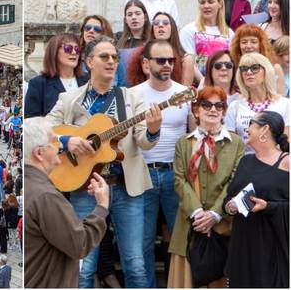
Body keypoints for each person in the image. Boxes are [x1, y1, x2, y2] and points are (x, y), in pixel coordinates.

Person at [45, 36, 161, 288]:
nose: (111, 62)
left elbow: (143, 141)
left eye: (114, 58)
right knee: (84, 266)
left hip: (125, 186)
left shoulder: (131, 98)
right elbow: (42, 130)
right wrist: (67, 141)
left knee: (135, 264)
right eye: (104, 57)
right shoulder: (70, 99)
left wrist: (153, 129)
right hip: (85, 186)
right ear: (88, 62)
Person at [130, 39, 195, 288]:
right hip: (143, 174)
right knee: (143, 241)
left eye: (171, 60)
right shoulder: (133, 94)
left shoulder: (183, 92)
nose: (167, 64)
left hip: (175, 174)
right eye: (161, 60)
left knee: (183, 239)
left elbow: (192, 134)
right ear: (146, 64)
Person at [168, 86, 244, 287]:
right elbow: (179, 180)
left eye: (219, 105)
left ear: (224, 111)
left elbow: (235, 181)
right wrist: (198, 213)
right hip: (190, 225)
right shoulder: (183, 143)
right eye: (206, 104)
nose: (213, 109)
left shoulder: (236, 143)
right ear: (196, 110)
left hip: (223, 228)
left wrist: (214, 215)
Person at [24, 116, 109, 288]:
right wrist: (101, 206)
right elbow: (80, 244)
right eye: (54, 142)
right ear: (39, 153)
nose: (60, 146)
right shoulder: (46, 196)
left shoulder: (30, 185)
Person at [223, 110, 289, 287]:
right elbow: (230, 196)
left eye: (252, 123)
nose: (247, 128)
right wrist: (230, 206)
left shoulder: (287, 162)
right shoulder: (246, 161)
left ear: (265, 129)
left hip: (272, 244)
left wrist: (268, 206)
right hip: (243, 242)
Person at [226, 52, 290, 154]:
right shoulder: (235, 106)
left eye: (255, 68)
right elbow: (230, 145)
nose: (249, 72)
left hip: (275, 165)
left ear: (266, 71)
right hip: (244, 163)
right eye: (244, 69)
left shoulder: (285, 104)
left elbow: (287, 142)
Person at [25, 33, 87, 118]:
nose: (74, 52)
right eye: (68, 48)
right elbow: (30, 121)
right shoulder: (38, 84)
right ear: (54, 52)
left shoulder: (88, 81)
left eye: (77, 49)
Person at [180, 0, 235, 79]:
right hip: (198, 86)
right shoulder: (188, 30)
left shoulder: (229, 33)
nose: (206, 6)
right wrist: (203, 82)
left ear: (220, 4)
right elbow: (189, 63)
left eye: (210, 2)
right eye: (202, 2)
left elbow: (232, 63)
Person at [128, 12, 194, 86]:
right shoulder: (142, 54)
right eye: (156, 23)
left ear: (172, 28)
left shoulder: (186, 59)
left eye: (165, 23)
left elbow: (184, 92)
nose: (160, 25)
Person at [230, 24, 286, 96]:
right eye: (244, 42)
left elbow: (281, 99)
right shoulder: (233, 68)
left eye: (253, 42)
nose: (248, 46)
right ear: (238, 45)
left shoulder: (275, 68)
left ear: (261, 45)